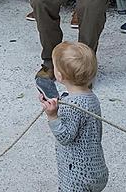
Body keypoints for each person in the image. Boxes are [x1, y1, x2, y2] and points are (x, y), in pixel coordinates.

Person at [40, 42, 108, 192]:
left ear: (60, 75)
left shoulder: (73, 106)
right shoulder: (91, 97)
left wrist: (52, 116)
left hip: (77, 175)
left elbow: (65, 136)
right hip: (96, 168)